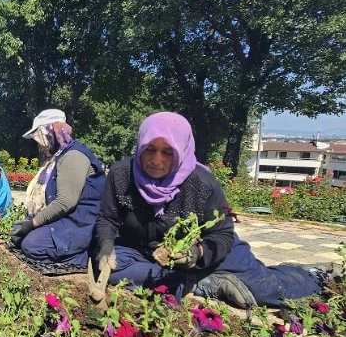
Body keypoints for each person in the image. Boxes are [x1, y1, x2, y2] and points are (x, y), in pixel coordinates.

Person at [90, 111, 323, 307]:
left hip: (207, 251)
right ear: (140, 145)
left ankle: (312, 275)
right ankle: (201, 284)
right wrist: (106, 247)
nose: (156, 160)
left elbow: (222, 234)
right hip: (142, 250)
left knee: (267, 292)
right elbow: (107, 219)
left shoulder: (201, 183)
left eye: (167, 152)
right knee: (114, 270)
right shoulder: (122, 175)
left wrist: (196, 254)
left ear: (180, 150)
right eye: (150, 149)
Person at [9, 109, 106, 275]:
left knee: (31, 245)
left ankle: (83, 258)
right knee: (19, 238)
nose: (39, 145)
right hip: (66, 221)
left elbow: (65, 201)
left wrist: (33, 224)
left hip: (80, 224)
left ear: (52, 131)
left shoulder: (73, 156)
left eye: (40, 139)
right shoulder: (59, 156)